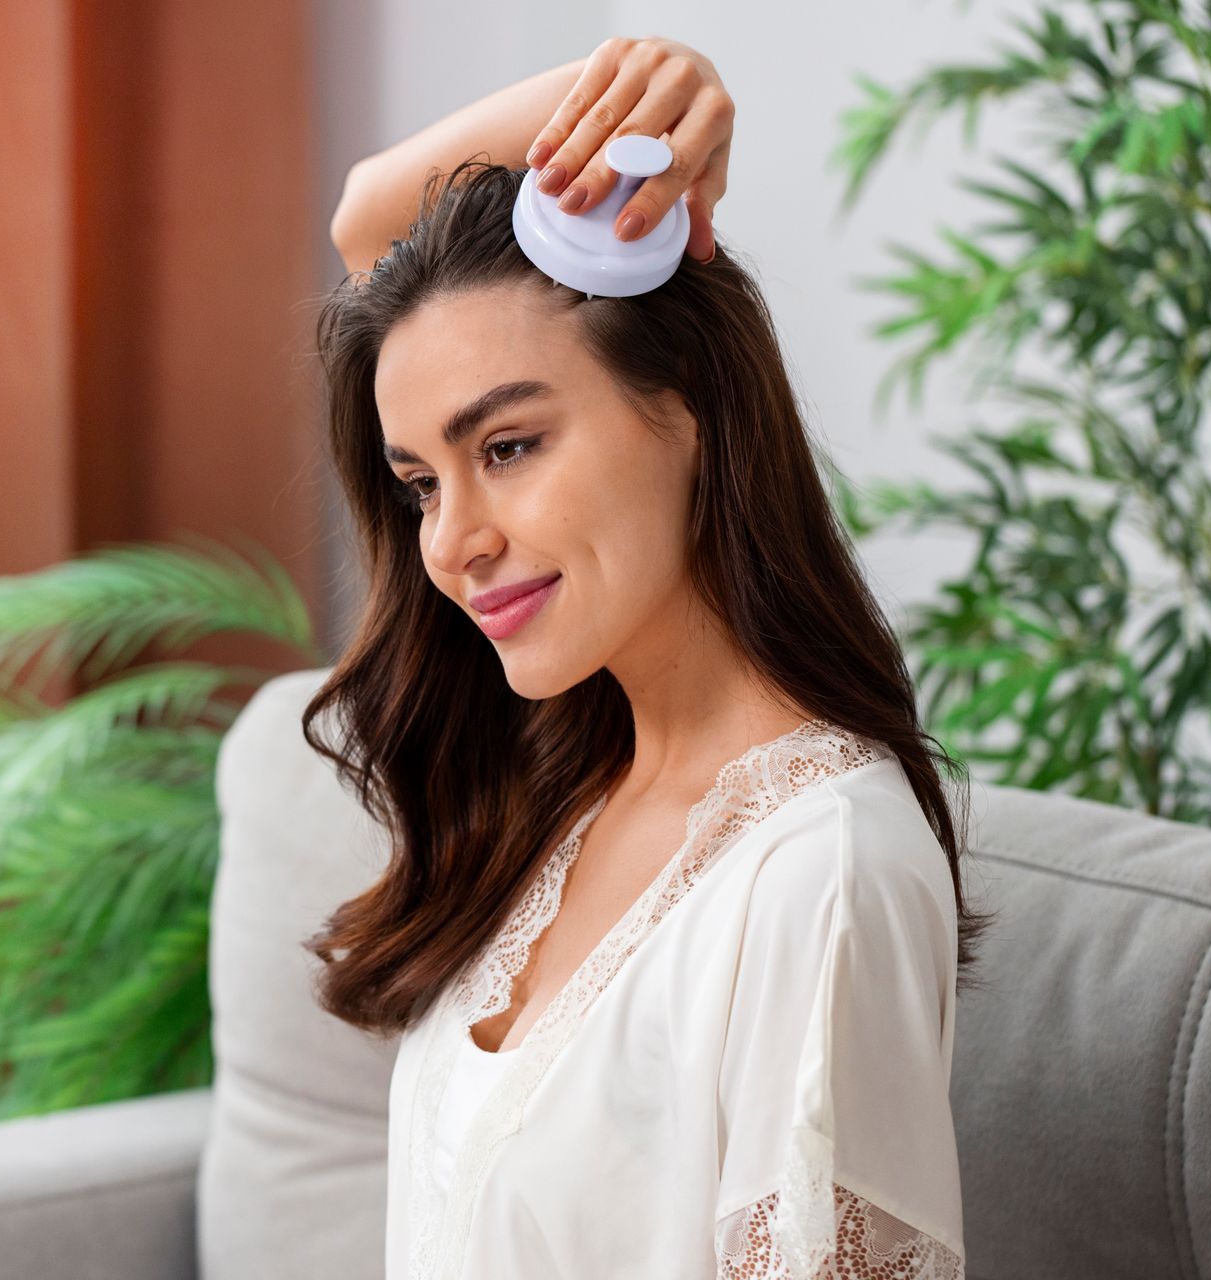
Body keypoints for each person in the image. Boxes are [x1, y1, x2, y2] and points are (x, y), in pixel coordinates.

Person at [305, 35, 992, 1280]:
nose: (451, 542)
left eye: (508, 445)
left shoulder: (817, 870)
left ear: (688, 404)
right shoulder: (572, 779)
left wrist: (648, 94)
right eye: (419, 483)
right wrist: (629, 88)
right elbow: (367, 222)